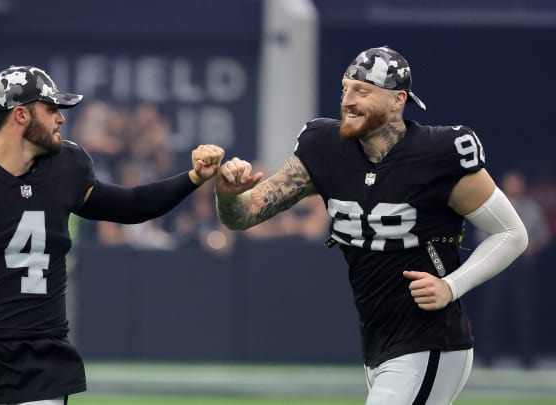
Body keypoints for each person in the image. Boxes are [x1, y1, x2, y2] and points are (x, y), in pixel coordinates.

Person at [0, 65, 225, 405]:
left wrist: (192, 178)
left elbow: (130, 205)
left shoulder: (67, 167)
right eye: (51, 109)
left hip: (44, 366)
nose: (61, 119)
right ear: (21, 115)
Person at [215, 46, 528, 405]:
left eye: (362, 91)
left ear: (398, 100)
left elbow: (511, 233)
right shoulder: (324, 147)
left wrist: (451, 285)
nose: (347, 100)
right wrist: (227, 195)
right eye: (345, 89)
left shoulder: (439, 153)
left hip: (430, 339)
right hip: (378, 340)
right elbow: (243, 216)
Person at [476, 170, 551, 368]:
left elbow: (543, 234)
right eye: (511, 183)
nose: (514, 186)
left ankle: (527, 355)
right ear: (503, 184)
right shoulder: (492, 206)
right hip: (498, 265)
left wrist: (532, 246)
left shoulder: (531, 207)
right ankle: (487, 353)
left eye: (517, 183)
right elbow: (481, 235)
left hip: (522, 266)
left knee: (524, 311)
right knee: (492, 309)